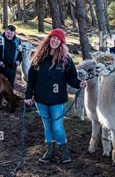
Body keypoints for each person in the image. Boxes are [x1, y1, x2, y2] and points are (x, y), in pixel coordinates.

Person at [24, 28, 87, 164]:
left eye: (58, 39)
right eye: (53, 38)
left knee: (57, 126)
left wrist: (79, 84)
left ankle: (64, 150)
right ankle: (50, 151)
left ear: (61, 42)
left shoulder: (66, 60)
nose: (55, 41)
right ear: (49, 39)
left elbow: (72, 79)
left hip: (58, 100)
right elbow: (31, 80)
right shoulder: (38, 57)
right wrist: (28, 96)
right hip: (40, 99)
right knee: (47, 126)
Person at [0, 24, 22, 108]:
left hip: (12, 67)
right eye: (8, 33)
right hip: (1, 66)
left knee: (10, 84)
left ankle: (11, 102)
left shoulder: (18, 41)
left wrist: (19, 60)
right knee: (0, 85)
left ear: (14, 33)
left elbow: (20, 54)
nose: (9, 35)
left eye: (11, 34)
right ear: (5, 31)